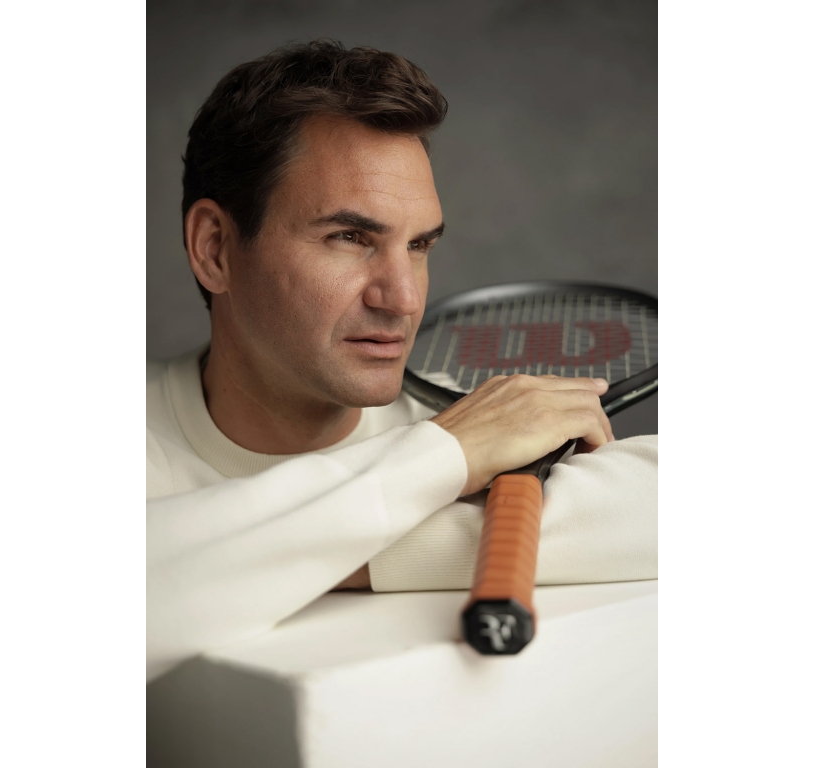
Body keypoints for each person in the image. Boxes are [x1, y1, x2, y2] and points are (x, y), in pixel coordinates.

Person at [147, 40, 657, 683]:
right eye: (349, 238)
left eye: (418, 246)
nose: (404, 299)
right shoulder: (462, 437)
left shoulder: (470, 416)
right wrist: (443, 455)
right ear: (215, 248)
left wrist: (306, 557)